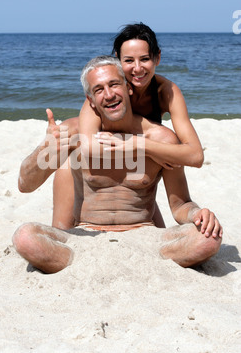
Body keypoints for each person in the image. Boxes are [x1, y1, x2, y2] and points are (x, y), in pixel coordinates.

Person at [13, 56, 222, 274]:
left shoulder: (160, 140)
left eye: (114, 84)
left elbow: (180, 206)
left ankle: (144, 262)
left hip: (145, 237)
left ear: (128, 88)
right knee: (25, 236)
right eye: (99, 89)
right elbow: (24, 184)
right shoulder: (72, 133)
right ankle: (80, 263)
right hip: (86, 237)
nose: (109, 94)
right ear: (90, 99)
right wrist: (44, 150)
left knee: (208, 238)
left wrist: (197, 214)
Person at [52, 23, 204, 229]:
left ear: (157, 57)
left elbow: (195, 155)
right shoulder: (111, 91)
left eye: (145, 59)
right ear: (118, 60)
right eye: (129, 60)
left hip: (138, 177)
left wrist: (144, 146)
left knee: (156, 232)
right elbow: (88, 147)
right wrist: (147, 148)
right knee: (62, 231)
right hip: (98, 171)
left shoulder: (166, 92)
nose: (138, 68)